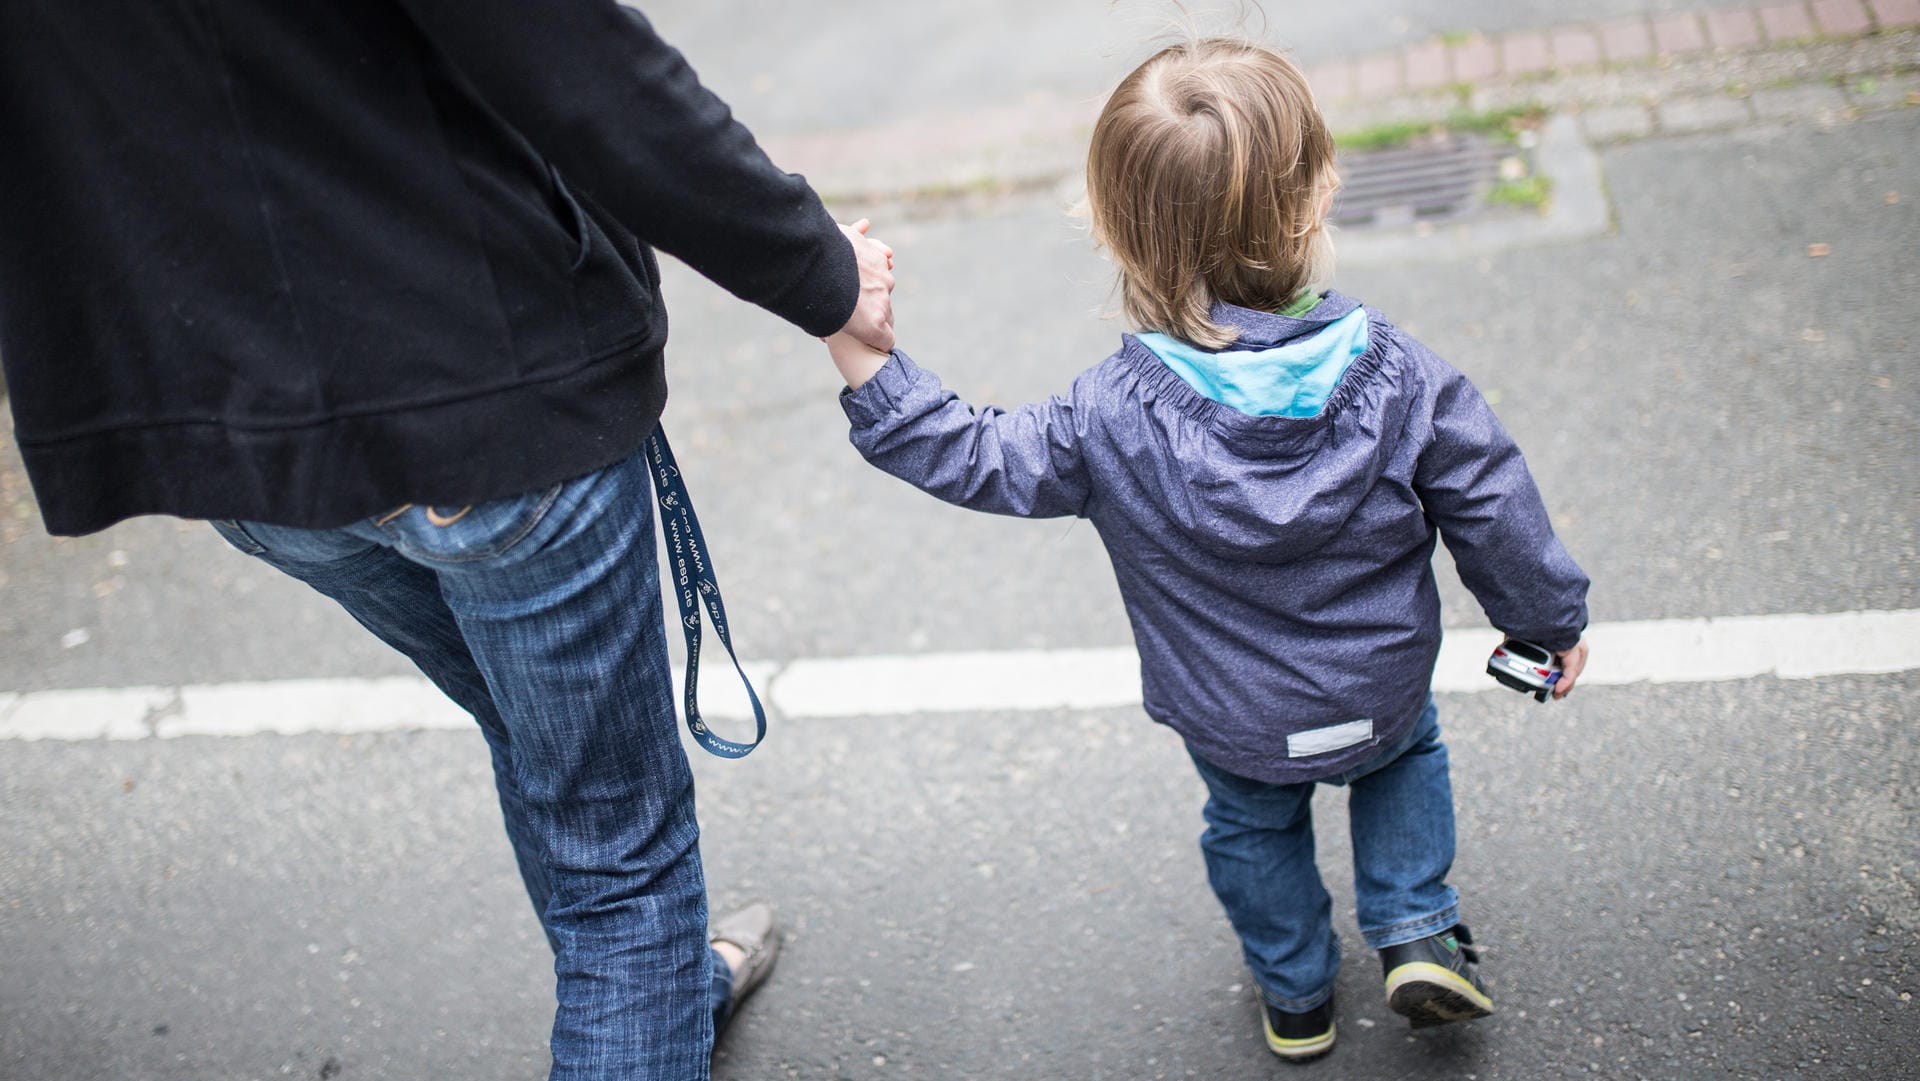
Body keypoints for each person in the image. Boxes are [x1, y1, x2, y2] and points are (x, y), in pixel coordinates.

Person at [0, 2, 893, 1078]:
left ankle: (658, 993)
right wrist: (816, 269)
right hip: (477, 384)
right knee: (620, 869)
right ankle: (644, 994)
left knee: (544, 744)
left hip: (233, 432)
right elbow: (580, 64)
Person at [823, 37, 1590, 1063]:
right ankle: (1414, 922)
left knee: (1251, 828)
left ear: (1115, 228)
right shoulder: (1405, 376)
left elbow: (974, 452)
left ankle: (1298, 995)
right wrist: (1547, 626)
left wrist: (858, 345)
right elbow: (1497, 506)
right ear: (1316, 199)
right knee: (1407, 761)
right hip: (1381, 687)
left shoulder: (1107, 414)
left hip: (1231, 717)